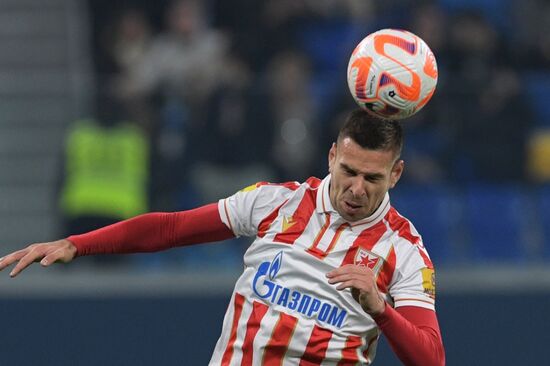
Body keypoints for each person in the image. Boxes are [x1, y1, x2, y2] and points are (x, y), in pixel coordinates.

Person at [0, 109, 445, 365]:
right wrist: (79, 243)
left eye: (372, 178)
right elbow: (172, 228)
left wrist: (380, 309)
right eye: (348, 171)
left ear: (396, 174)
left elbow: (431, 359)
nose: (356, 188)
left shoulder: (405, 251)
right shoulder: (276, 203)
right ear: (332, 157)